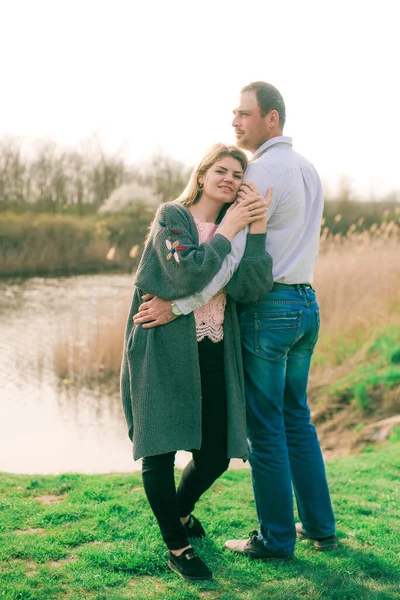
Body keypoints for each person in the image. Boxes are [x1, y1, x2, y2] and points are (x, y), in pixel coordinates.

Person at [134, 82, 337, 561]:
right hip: (306, 303)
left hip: (270, 309)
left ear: (271, 118)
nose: (235, 122)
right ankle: (320, 528)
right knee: (297, 421)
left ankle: (276, 538)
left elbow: (229, 267)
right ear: (202, 175)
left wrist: (178, 306)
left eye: (244, 114)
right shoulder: (308, 169)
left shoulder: (261, 171)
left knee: (266, 429)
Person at [121, 143, 273, 582]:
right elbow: (186, 273)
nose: (230, 179)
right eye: (221, 170)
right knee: (160, 447)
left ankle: (181, 511)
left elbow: (251, 287)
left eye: (237, 174)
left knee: (216, 454)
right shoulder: (173, 217)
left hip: (214, 346)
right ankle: (178, 547)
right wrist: (228, 229)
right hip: (162, 344)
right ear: (203, 174)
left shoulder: (238, 229)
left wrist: (256, 229)